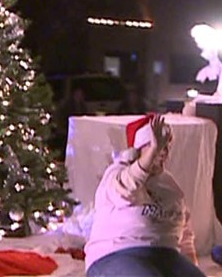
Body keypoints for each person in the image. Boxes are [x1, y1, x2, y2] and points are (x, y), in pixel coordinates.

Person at [84, 114, 203, 277]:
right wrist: (151, 154)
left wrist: (190, 268)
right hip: (117, 254)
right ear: (139, 148)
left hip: (166, 255)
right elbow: (127, 187)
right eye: (155, 145)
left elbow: (183, 230)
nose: (163, 151)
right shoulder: (117, 173)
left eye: (166, 146)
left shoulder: (169, 185)